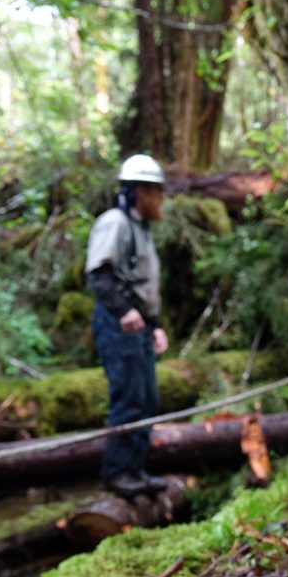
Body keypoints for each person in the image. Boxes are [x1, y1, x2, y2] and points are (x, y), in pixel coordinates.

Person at [85, 154, 169, 499]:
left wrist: (157, 326)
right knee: (128, 399)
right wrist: (123, 312)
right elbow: (99, 275)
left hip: (139, 325)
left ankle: (136, 470)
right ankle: (118, 473)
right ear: (138, 192)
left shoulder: (142, 229)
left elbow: (143, 285)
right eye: (156, 192)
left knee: (147, 397)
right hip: (117, 324)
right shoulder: (115, 223)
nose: (160, 199)